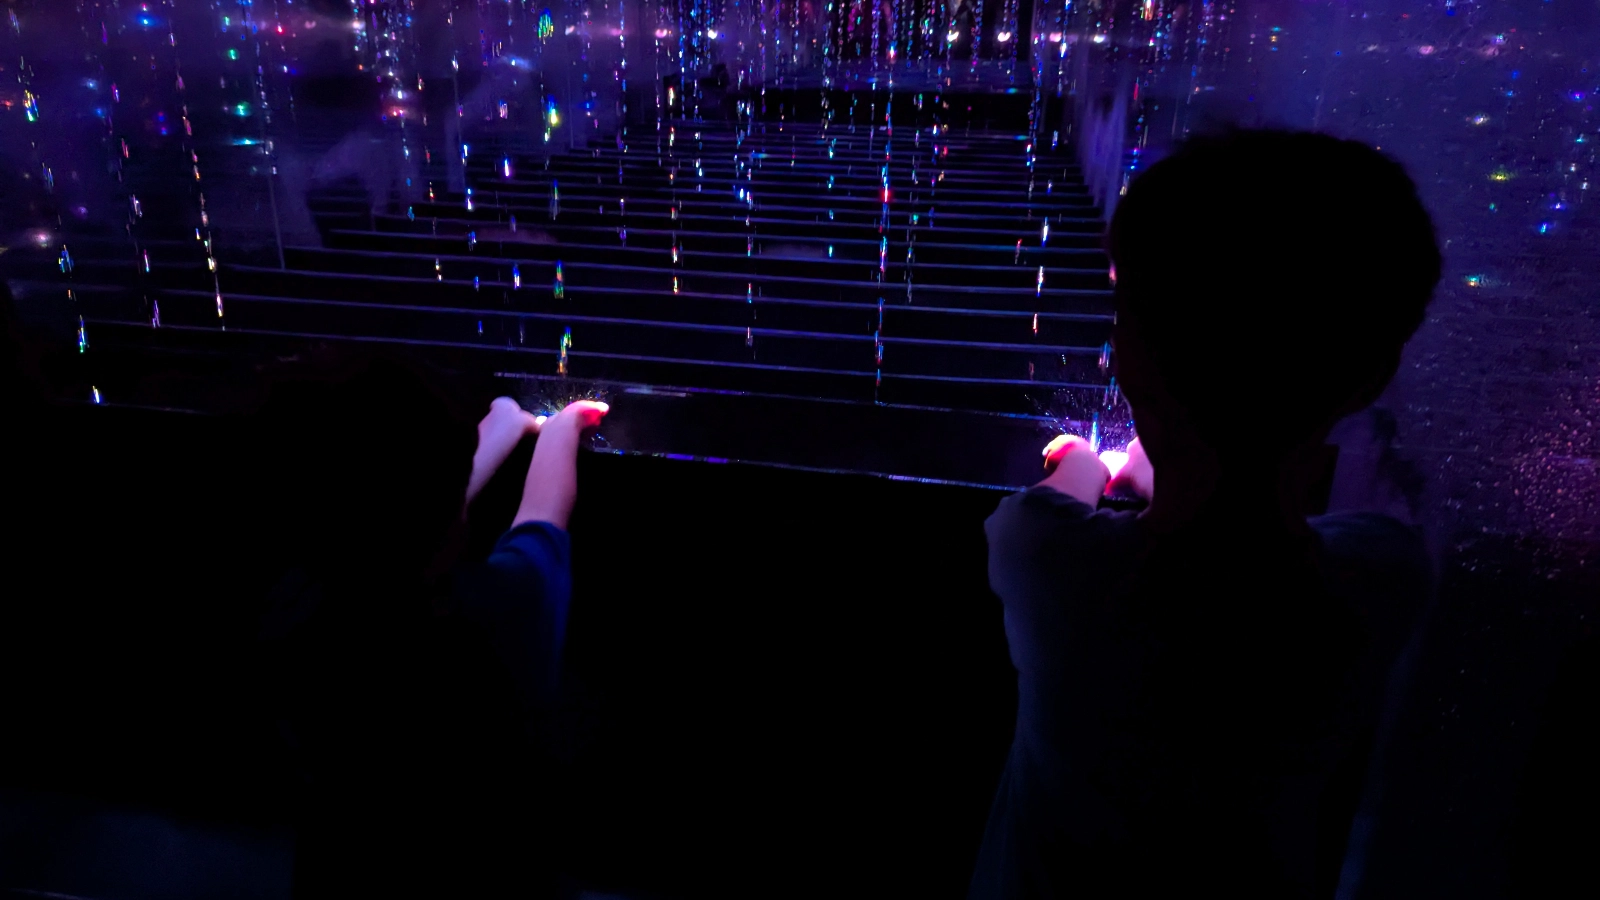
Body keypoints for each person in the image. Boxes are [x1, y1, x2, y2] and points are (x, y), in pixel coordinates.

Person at [969, 130, 1440, 899]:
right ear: (1371, 378)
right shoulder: (1386, 575)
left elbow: (1063, 486)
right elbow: (1248, 527)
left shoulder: (1048, 562)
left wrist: (1098, 462)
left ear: (1126, 355)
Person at [253, 352, 607, 898]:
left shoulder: (299, 607)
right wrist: (563, 425)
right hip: (485, 869)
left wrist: (499, 425)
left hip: (343, 866)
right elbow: (541, 517)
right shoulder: (497, 613)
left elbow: (384, 527)